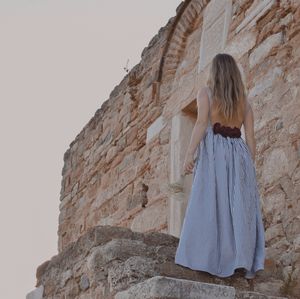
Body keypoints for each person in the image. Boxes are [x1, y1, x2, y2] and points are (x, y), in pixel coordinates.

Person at [174, 53, 265, 279]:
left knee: (211, 201)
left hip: (215, 153)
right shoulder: (244, 102)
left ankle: (206, 256)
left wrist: (188, 154)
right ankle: (239, 259)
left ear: (215, 72)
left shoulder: (205, 93)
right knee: (238, 207)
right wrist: (249, 166)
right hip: (240, 154)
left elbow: (201, 122)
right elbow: (251, 137)